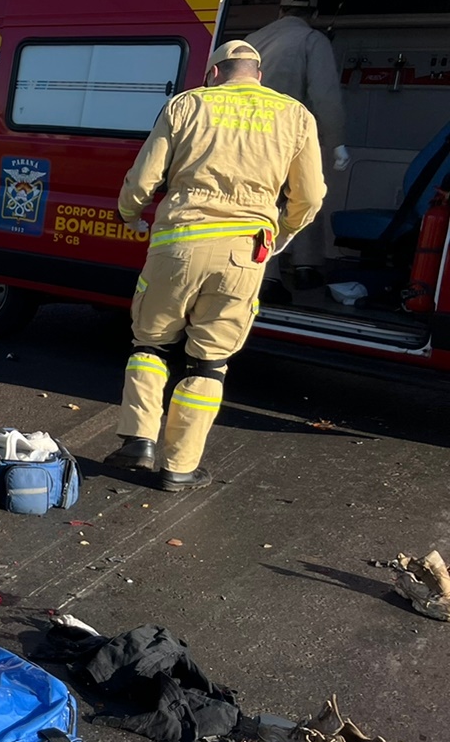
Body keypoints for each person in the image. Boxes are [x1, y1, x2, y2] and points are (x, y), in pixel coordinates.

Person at [103, 40, 325, 491]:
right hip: (245, 253)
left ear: (214, 74)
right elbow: (311, 196)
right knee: (209, 361)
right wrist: (282, 232)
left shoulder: (186, 105)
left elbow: (145, 176)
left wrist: (130, 213)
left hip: (178, 243)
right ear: (258, 75)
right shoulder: (296, 115)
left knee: (150, 342)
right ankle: (180, 468)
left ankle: (139, 440)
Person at [244, 0, 348, 288]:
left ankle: (267, 275)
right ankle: (305, 266)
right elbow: (325, 96)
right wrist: (337, 141)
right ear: (313, 14)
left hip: (247, 138)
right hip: (293, 138)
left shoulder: (251, 41)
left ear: (280, 10)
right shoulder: (313, 39)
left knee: (262, 203)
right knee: (306, 196)